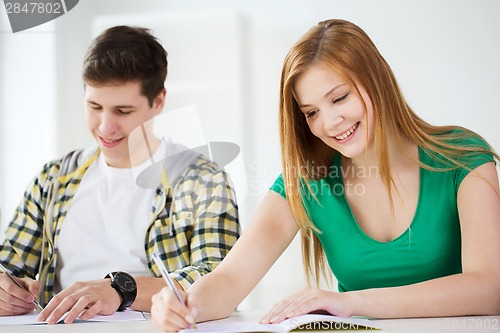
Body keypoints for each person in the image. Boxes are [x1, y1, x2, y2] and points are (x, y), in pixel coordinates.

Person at [150, 19, 500, 331]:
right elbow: (230, 280)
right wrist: (185, 303)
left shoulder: (462, 156)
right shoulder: (307, 181)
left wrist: (352, 303)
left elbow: (489, 289)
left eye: (340, 98)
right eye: (312, 112)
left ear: (377, 80)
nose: (329, 123)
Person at [0, 25, 240, 324]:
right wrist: (5, 289)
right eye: (94, 106)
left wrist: (120, 289)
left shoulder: (202, 180)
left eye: (123, 111)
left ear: (158, 101)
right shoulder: (54, 178)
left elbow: (218, 280)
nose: (105, 126)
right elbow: (9, 265)